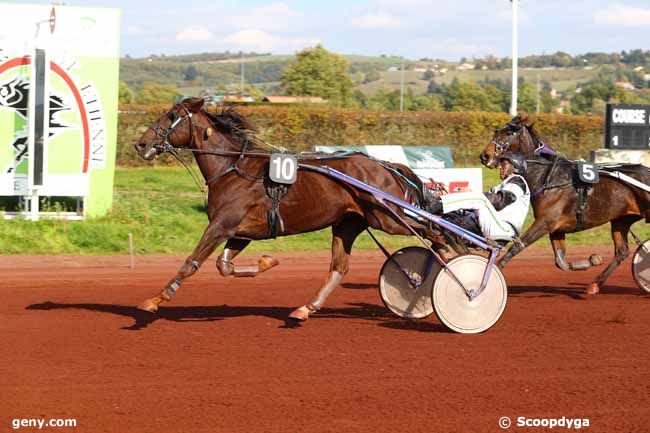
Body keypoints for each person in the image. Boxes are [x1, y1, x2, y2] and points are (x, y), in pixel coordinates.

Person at [428, 152, 530, 242]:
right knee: (464, 207)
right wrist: (455, 195)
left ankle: (434, 206)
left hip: (505, 229)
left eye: (504, 164)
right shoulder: (502, 185)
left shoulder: (518, 181)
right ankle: (442, 216)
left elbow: (500, 202)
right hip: (495, 224)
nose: (500, 167)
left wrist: (472, 193)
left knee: (479, 198)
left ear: (515, 167)